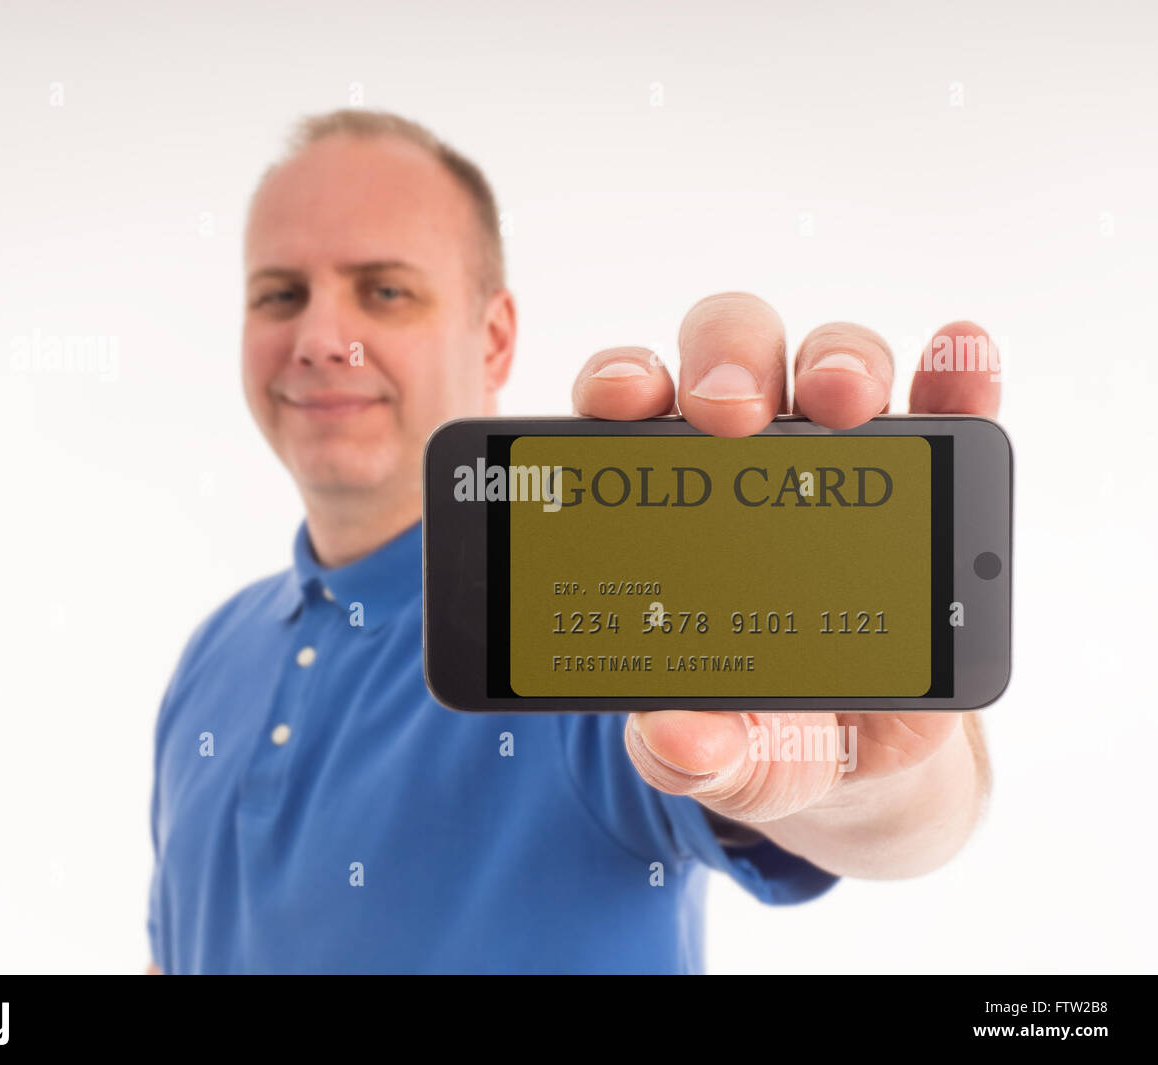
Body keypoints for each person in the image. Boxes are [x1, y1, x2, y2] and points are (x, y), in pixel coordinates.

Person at [146, 109, 994, 974]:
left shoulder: (570, 620)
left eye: (385, 290)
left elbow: (888, 816)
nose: (324, 340)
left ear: (495, 337)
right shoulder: (216, 650)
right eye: (279, 294)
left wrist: (871, 768)